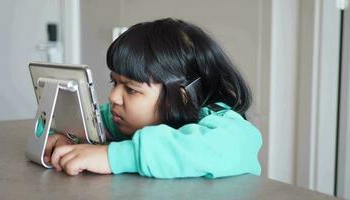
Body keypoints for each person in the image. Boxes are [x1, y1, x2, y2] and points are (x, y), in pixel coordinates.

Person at [44, 18, 262, 178]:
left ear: (181, 96)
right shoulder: (121, 120)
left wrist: (114, 156)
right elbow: (83, 119)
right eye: (115, 83)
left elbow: (235, 145)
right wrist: (64, 135)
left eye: (131, 89)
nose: (113, 97)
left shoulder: (222, 125)